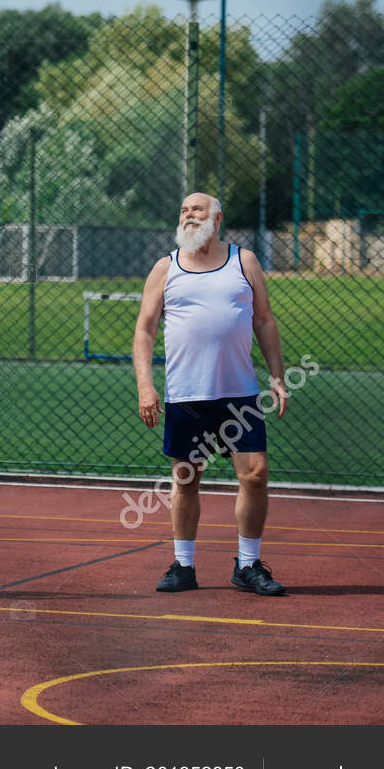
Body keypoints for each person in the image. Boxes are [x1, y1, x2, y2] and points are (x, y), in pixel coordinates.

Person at [133, 192, 290, 596]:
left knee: (254, 475)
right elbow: (144, 330)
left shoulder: (245, 261)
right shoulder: (166, 268)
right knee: (186, 478)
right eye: (183, 209)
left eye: (196, 209)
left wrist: (278, 376)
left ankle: (249, 565)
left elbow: (265, 321)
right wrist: (146, 386)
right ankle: (183, 566)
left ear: (216, 218)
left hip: (239, 393)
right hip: (187, 394)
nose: (188, 215)